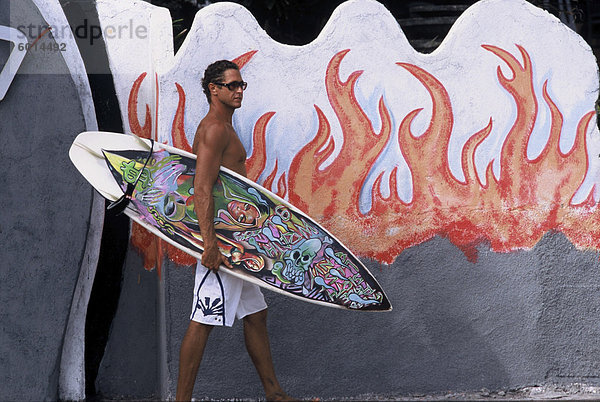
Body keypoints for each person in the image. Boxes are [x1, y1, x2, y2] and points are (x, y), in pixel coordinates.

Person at [175, 60, 291, 401]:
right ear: (214, 89)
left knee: (256, 315)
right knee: (203, 319)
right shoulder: (214, 129)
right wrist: (209, 245)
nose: (239, 90)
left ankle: (274, 393)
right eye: (233, 85)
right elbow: (201, 187)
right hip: (222, 244)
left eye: (242, 85)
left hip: (238, 243)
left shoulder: (225, 127)